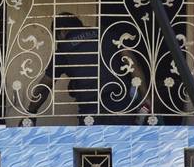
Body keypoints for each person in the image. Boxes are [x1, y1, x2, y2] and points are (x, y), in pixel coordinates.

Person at [22, 12, 150, 126]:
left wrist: (31, 112)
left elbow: (45, 85)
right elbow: (134, 66)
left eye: (57, 36)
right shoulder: (107, 34)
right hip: (121, 106)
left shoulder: (63, 49)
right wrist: (146, 97)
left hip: (91, 112)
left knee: (95, 150)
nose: (58, 41)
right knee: (124, 149)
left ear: (63, 31)